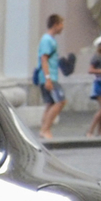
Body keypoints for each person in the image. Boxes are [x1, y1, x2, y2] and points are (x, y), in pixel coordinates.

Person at [35, 13, 68, 141]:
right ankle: (45, 129)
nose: (63, 27)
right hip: (49, 77)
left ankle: (44, 128)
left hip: (48, 76)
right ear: (56, 25)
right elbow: (44, 59)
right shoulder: (47, 40)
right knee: (60, 101)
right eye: (61, 24)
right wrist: (48, 78)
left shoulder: (49, 40)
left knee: (50, 103)